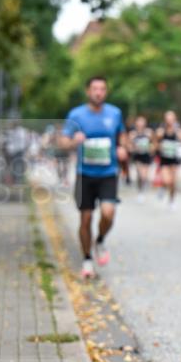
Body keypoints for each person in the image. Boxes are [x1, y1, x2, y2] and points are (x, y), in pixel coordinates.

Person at [59, 76, 126, 279]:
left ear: (106, 92)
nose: (98, 92)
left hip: (108, 173)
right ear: (88, 91)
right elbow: (63, 141)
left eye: (102, 89)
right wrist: (73, 141)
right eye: (95, 89)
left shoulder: (115, 113)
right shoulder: (76, 115)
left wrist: (123, 147)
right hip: (85, 174)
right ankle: (87, 260)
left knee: (108, 214)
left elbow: (121, 134)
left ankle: (101, 240)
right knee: (85, 218)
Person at [155, 110, 181, 209]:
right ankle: (163, 187)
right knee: (167, 180)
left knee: (173, 183)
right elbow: (155, 144)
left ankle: (172, 201)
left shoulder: (179, 132)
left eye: (171, 119)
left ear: (174, 120)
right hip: (164, 160)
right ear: (165, 120)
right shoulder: (161, 132)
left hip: (175, 159)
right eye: (168, 119)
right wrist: (159, 147)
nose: (170, 121)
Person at [128, 115, 155, 202]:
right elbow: (128, 145)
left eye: (142, 121)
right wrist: (132, 148)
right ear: (136, 123)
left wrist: (152, 148)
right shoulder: (133, 134)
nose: (140, 123)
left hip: (146, 156)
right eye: (139, 121)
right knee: (140, 174)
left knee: (144, 176)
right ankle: (140, 191)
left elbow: (154, 143)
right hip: (137, 156)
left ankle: (141, 190)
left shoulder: (149, 133)